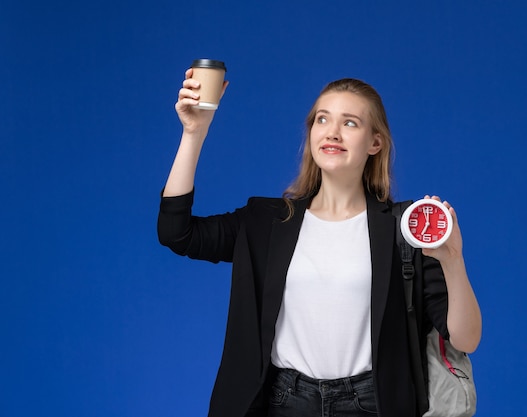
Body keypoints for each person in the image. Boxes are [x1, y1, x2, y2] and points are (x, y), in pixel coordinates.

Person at [158, 68, 482, 417]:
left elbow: (465, 340)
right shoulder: (266, 221)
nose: (332, 132)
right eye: (322, 119)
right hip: (283, 402)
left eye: (350, 123)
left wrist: (452, 259)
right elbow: (178, 234)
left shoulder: (406, 228)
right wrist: (194, 132)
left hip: (373, 403)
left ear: (375, 142)